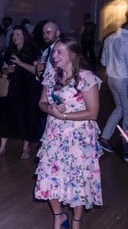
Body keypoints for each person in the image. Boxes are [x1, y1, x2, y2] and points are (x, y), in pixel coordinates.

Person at [34, 37, 103, 229]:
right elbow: (41, 103)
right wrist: (51, 110)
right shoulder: (50, 76)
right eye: (53, 52)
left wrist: (65, 115)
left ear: (72, 54)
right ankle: (59, 216)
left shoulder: (86, 78)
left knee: (77, 179)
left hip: (78, 137)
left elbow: (93, 113)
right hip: (54, 134)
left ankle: (76, 221)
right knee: (47, 176)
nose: (54, 56)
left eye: (59, 52)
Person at [0, 25, 42, 159]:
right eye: (13, 35)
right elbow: (3, 69)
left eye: (18, 34)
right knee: (6, 117)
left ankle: (26, 147)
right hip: (11, 89)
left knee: (25, 117)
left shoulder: (33, 50)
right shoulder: (10, 51)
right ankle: (2, 147)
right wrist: (6, 70)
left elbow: (37, 70)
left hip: (27, 89)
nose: (15, 37)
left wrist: (20, 63)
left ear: (24, 36)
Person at [99, 20, 128, 157]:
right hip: (124, 79)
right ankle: (126, 147)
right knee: (126, 111)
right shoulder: (127, 40)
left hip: (111, 79)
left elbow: (103, 61)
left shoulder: (109, 38)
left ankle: (104, 138)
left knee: (119, 109)